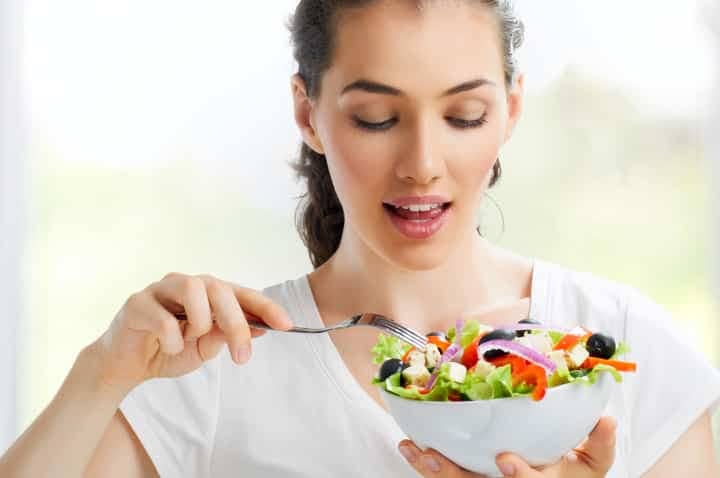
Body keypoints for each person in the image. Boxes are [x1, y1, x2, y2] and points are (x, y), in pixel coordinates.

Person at [2, 1, 719, 477]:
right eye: (377, 118)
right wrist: (101, 374)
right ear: (308, 114)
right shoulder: (214, 368)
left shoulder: (628, 352)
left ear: (510, 110)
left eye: (464, 115)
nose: (423, 165)